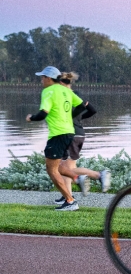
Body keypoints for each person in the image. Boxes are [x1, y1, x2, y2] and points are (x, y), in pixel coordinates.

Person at [26, 66, 86, 211]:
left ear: (48, 78)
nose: (41, 80)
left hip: (58, 134)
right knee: (56, 166)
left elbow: (42, 114)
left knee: (51, 170)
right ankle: (78, 178)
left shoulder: (48, 91)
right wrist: (69, 117)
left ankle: (70, 201)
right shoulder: (65, 90)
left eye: (42, 77)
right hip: (69, 133)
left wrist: (31, 118)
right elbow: (82, 105)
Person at [55, 72, 111, 203]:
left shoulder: (66, 96)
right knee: (66, 166)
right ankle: (67, 196)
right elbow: (92, 110)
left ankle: (98, 175)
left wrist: (71, 119)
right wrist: (79, 118)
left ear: (62, 83)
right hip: (79, 134)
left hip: (71, 135)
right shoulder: (77, 95)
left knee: (65, 169)